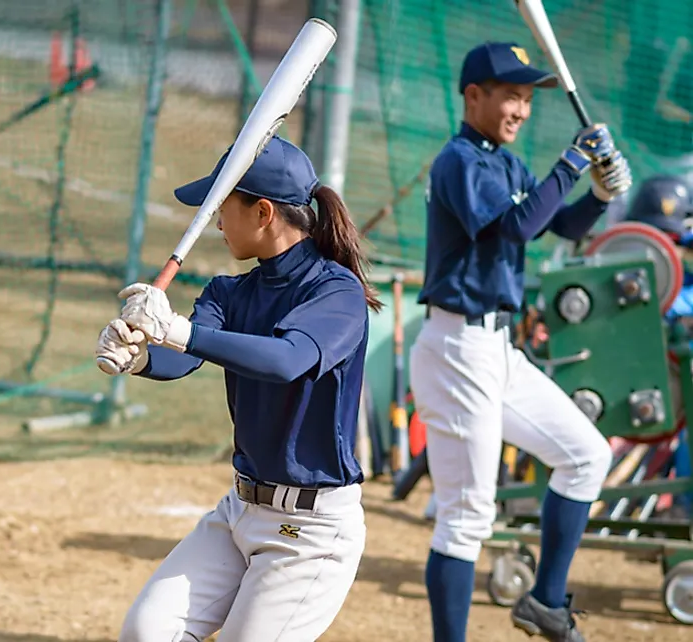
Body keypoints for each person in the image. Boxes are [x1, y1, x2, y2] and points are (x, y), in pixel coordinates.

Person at [93, 135, 381, 641]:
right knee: (147, 631)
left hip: (310, 534)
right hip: (239, 512)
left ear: (264, 212)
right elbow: (182, 360)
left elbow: (287, 360)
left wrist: (178, 330)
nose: (217, 221)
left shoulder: (336, 292)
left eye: (222, 206)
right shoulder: (231, 291)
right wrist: (139, 357)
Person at [409, 41, 633, 642]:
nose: (521, 109)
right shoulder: (458, 160)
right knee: (465, 520)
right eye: (511, 95)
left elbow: (556, 223)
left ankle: (546, 602)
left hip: (495, 351)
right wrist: (572, 163)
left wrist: (600, 196)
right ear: (473, 96)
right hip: (456, 349)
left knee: (587, 456)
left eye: (529, 98)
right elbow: (514, 225)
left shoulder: (504, 162)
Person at [621, 174, 693, 521]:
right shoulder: (619, 266)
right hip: (625, 386)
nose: (665, 248)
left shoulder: (685, 274)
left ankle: (683, 506)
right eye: (657, 238)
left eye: (671, 240)